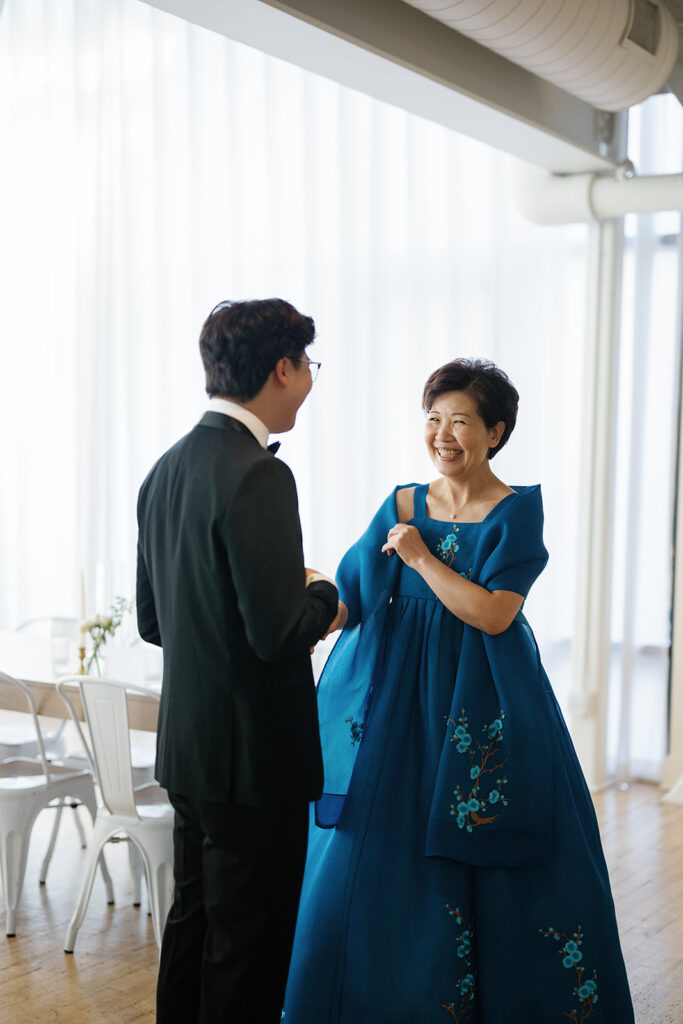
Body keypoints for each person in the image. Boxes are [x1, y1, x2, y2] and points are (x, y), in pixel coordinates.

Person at [283, 358, 634, 1023]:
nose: (443, 435)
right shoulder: (402, 503)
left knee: (502, 850)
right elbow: (352, 597)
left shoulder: (514, 511)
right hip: (398, 709)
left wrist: (418, 557)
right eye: (433, 419)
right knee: (373, 854)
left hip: (484, 708)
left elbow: (494, 614)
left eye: (462, 421)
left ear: (496, 431)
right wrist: (302, 618)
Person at [136, 298, 343, 1024]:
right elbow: (278, 632)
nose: (309, 382)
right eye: (308, 366)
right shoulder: (258, 473)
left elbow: (153, 621)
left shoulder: (164, 471)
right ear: (281, 369)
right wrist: (326, 596)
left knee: (193, 928)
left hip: (188, 752)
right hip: (254, 761)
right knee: (250, 949)